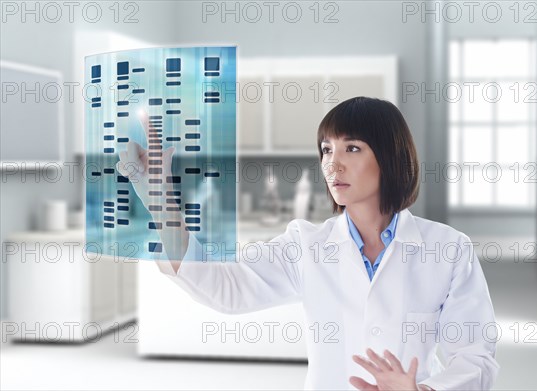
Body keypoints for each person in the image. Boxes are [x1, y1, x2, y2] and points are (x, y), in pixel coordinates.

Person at [117, 97, 499, 390]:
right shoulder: (306, 245)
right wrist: (158, 195)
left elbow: (476, 356)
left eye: (352, 148)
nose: (333, 164)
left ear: (391, 157)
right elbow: (225, 287)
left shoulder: (448, 249)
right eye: (326, 150)